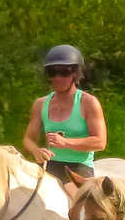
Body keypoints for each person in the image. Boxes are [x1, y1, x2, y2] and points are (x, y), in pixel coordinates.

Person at [21, 44, 106, 196]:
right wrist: (36, 151)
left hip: (78, 167)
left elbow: (100, 142)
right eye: (53, 73)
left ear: (75, 74)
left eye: (64, 72)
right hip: (48, 165)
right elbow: (28, 139)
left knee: (81, 206)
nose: (58, 78)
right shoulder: (40, 104)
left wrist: (66, 143)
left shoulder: (88, 103)